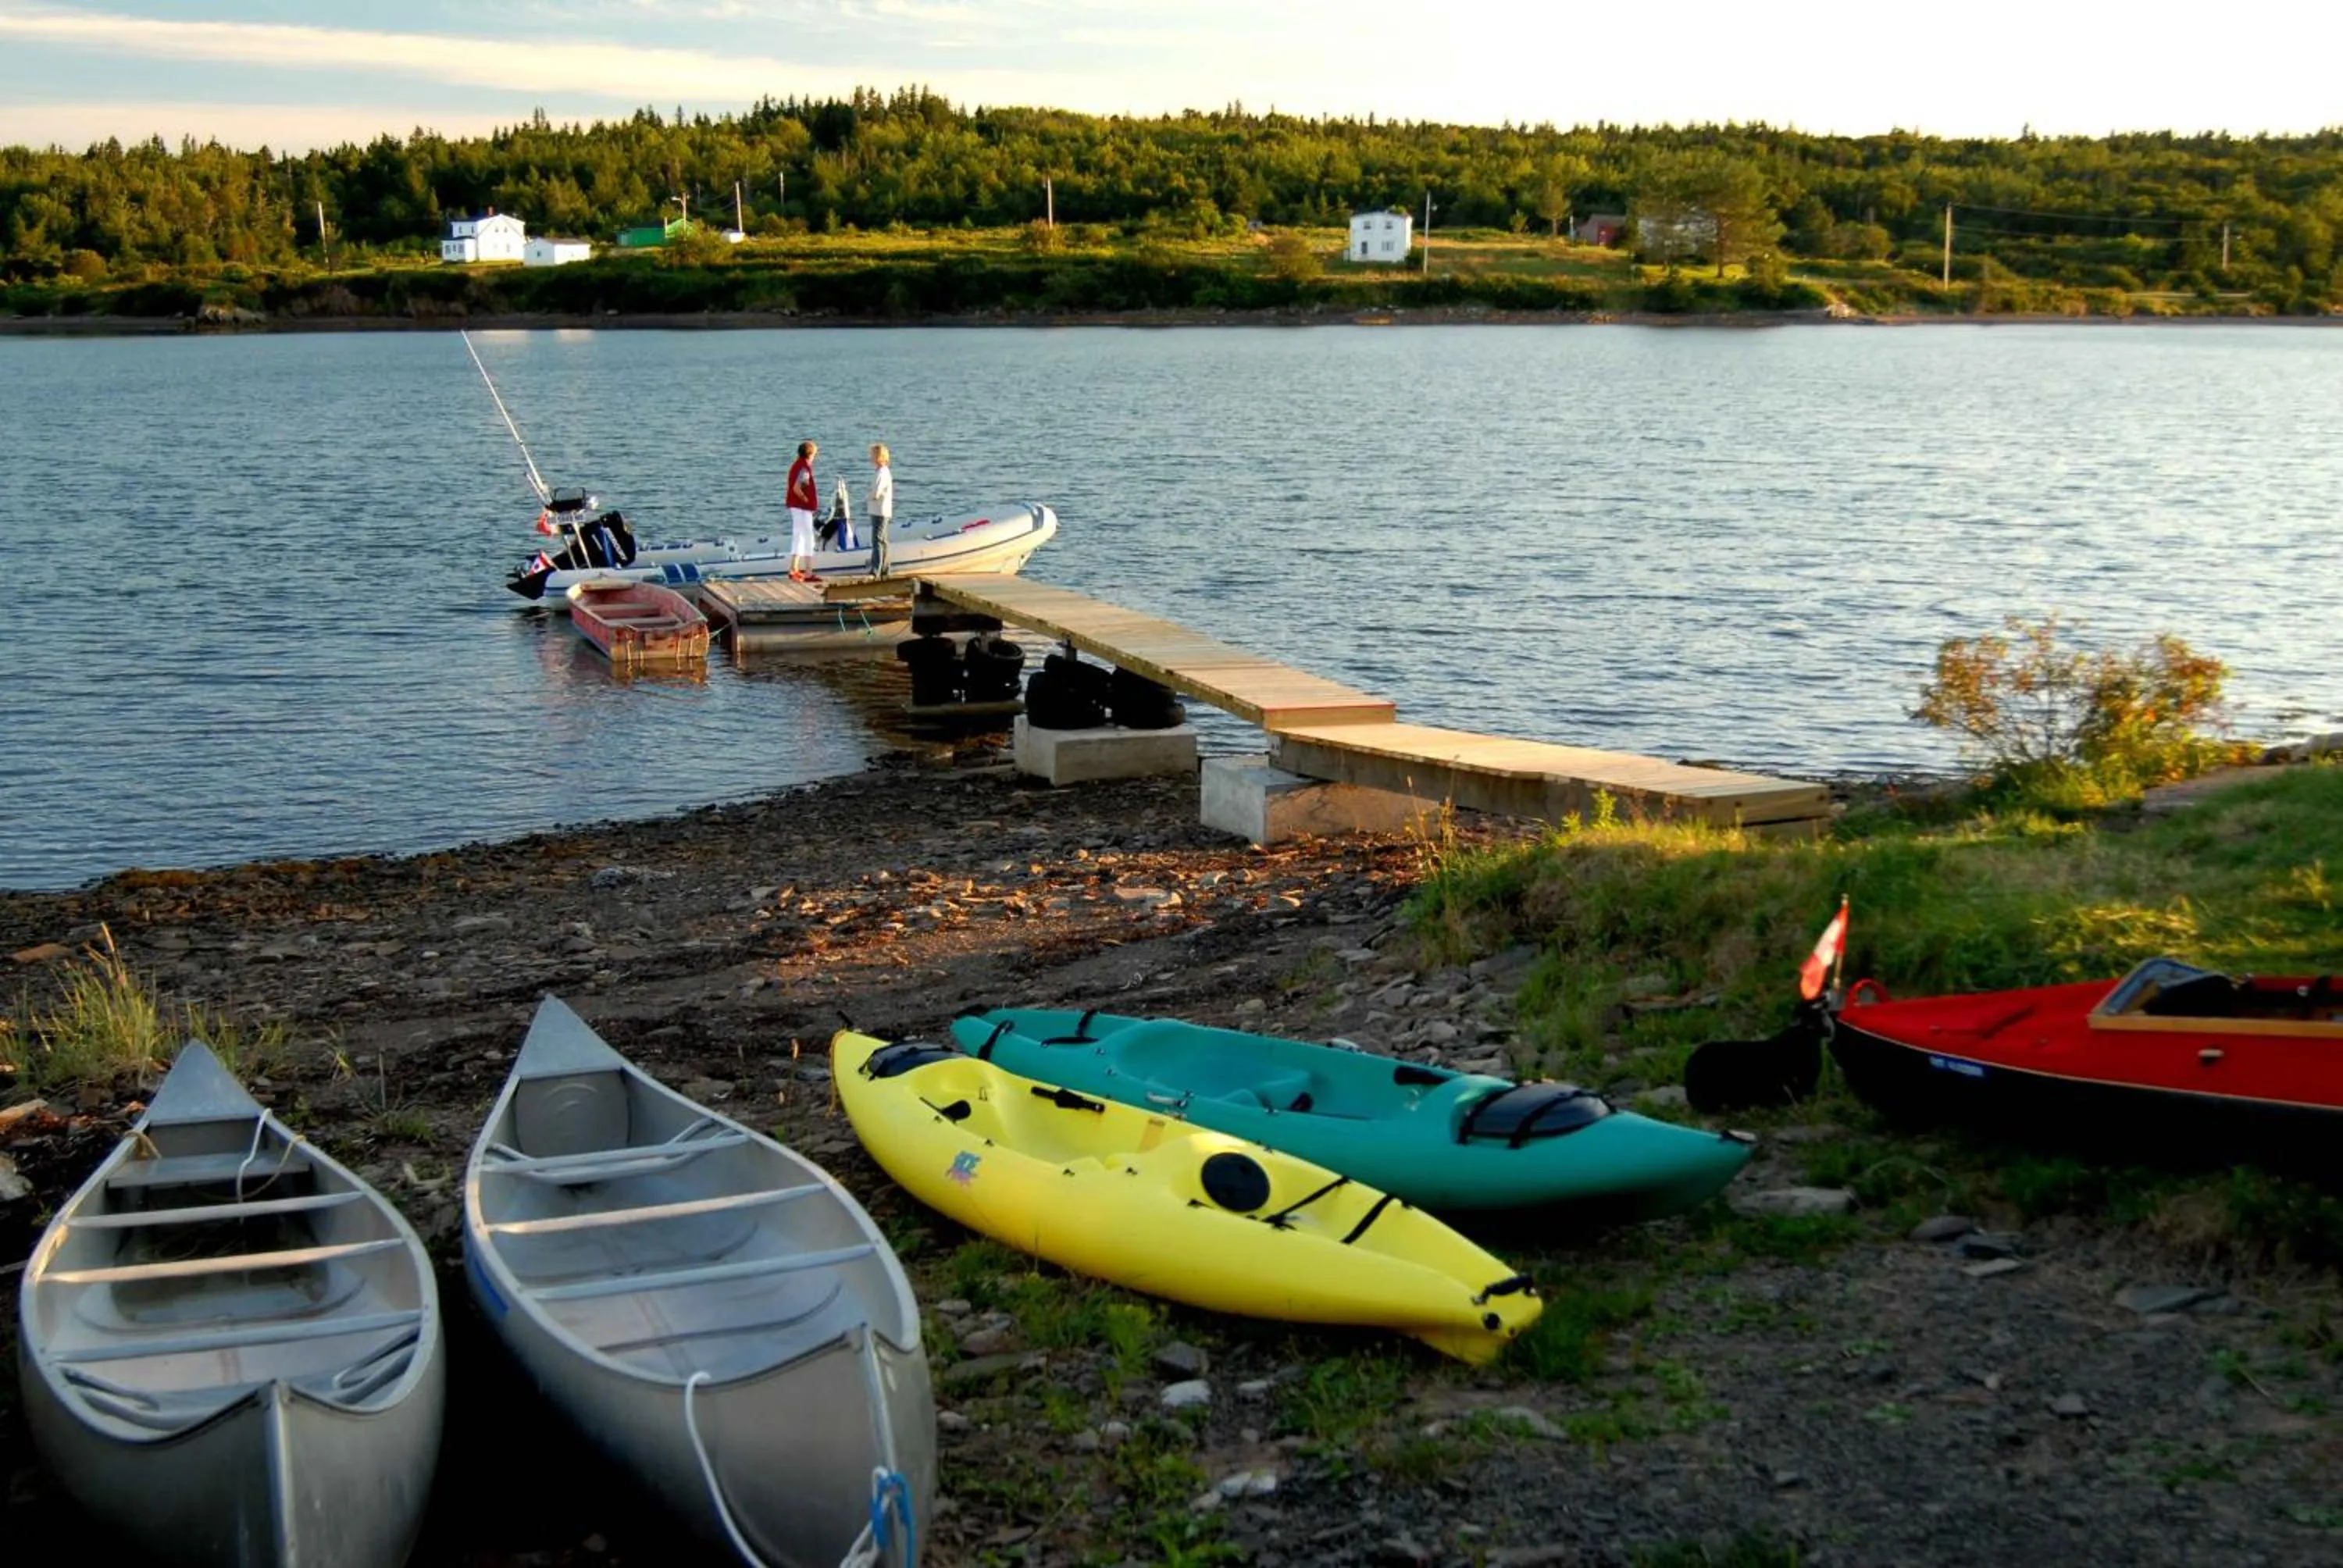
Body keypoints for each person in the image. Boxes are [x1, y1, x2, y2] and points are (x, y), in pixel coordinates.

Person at [785, 440, 819, 582]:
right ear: (810, 454)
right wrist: (806, 500)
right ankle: (809, 571)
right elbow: (797, 488)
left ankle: (794, 568)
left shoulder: (796, 465)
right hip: (802, 508)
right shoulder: (804, 468)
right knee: (808, 537)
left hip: (795, 506)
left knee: (798, 536)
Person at [868, 443, 895, 578]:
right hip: (880, 510)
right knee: (882, 540)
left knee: (877, 540)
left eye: (872, 455)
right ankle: (884, 568)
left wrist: (868, 496)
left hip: (880, 511)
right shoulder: (882, 472)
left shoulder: (882, 473)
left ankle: (876, 569)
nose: (870, 457)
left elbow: (876, 493)